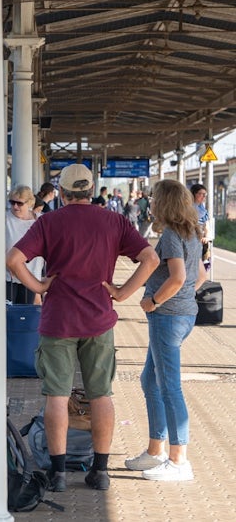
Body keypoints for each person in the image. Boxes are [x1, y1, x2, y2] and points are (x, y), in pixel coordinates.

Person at [6, 163, 159, 493]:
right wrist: (122, 292)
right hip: (99, 321)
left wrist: (40, 285)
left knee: (57, 397)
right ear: (91, 192)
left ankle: (58, 474)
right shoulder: (114, 221)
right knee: (100, 394)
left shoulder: (49, 221)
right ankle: (100, 471)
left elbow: (13, 259)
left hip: (58, 321)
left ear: (61, 193)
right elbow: (151, 259)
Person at [123, 179, 206, 482]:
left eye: (155, 198)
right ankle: (156, 450)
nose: (151, 203)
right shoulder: (192, 232)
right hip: (183, 315)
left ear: (165, 203)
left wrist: (154, 300)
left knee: (169, 386)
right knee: (150, 380)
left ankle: (179, 460)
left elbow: (178, 277)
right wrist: (183, 299)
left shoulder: (171, 235)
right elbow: (201, 275)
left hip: (167, 317)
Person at [5, 185, 43, 304]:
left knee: (26, 315)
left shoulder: (40, 220)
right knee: (8, 315)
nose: (15, 206)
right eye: (12, 202)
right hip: (8, 277)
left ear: (30, 203)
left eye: (19, 203)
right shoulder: (5, 219)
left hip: (31, 278)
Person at [190, 184, 210, 266]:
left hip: (201, 240)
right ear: (194, 194)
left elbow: (206, 224)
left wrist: (206, 236)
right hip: (191, 239)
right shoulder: (188, 208)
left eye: (205, 194)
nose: (203, 196)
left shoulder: (202, 208)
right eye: (201, 194)